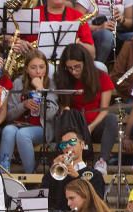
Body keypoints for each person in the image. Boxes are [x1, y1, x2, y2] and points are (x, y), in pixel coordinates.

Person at [53, 44, 117, 174]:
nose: (74, 71)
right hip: (75, 125)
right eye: (70, 68)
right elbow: (65, 107)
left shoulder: (101, 77)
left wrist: (91, 127)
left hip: (95, 125)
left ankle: (102, 161)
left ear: (85, 63)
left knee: (111, 119)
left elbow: (104, 109)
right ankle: (65, 162)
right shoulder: (64, 79)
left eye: (77, 67)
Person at [0, 51, 54, 174]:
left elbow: (50, 115)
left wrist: (41, 90)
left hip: (42, 127)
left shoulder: (51, 83)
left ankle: (30, 175)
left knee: (23, 134)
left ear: (46, 68)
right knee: (8, 130)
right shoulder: (19, 83)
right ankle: (3, 173)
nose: (38, 71)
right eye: (33, 67)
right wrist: (23, 105)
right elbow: (8, 116)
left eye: (41, 67)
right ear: (27, 69)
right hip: (19, 124)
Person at [45, 129, 107, 212]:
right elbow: (45, 195)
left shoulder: (95, 175)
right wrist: (52, 170)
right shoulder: (58, 172)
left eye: (72, 142)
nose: (67, 146)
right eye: (63, 145)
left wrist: (77, 178)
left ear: (82, 144)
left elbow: (96, 203)